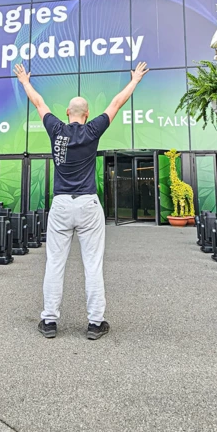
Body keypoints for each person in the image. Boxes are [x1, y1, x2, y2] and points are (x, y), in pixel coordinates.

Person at [13, 62, 149, 340]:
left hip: (61, 205)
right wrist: (134, 80)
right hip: (88, 205)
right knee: (93, 264)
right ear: (87, 115)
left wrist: (25, 80)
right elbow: (115, 103)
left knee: (54, 263)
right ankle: (95, 323)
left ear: (67, 112)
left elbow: (38, 102)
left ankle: (49, 321)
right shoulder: (93, 130)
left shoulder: (55, 128)